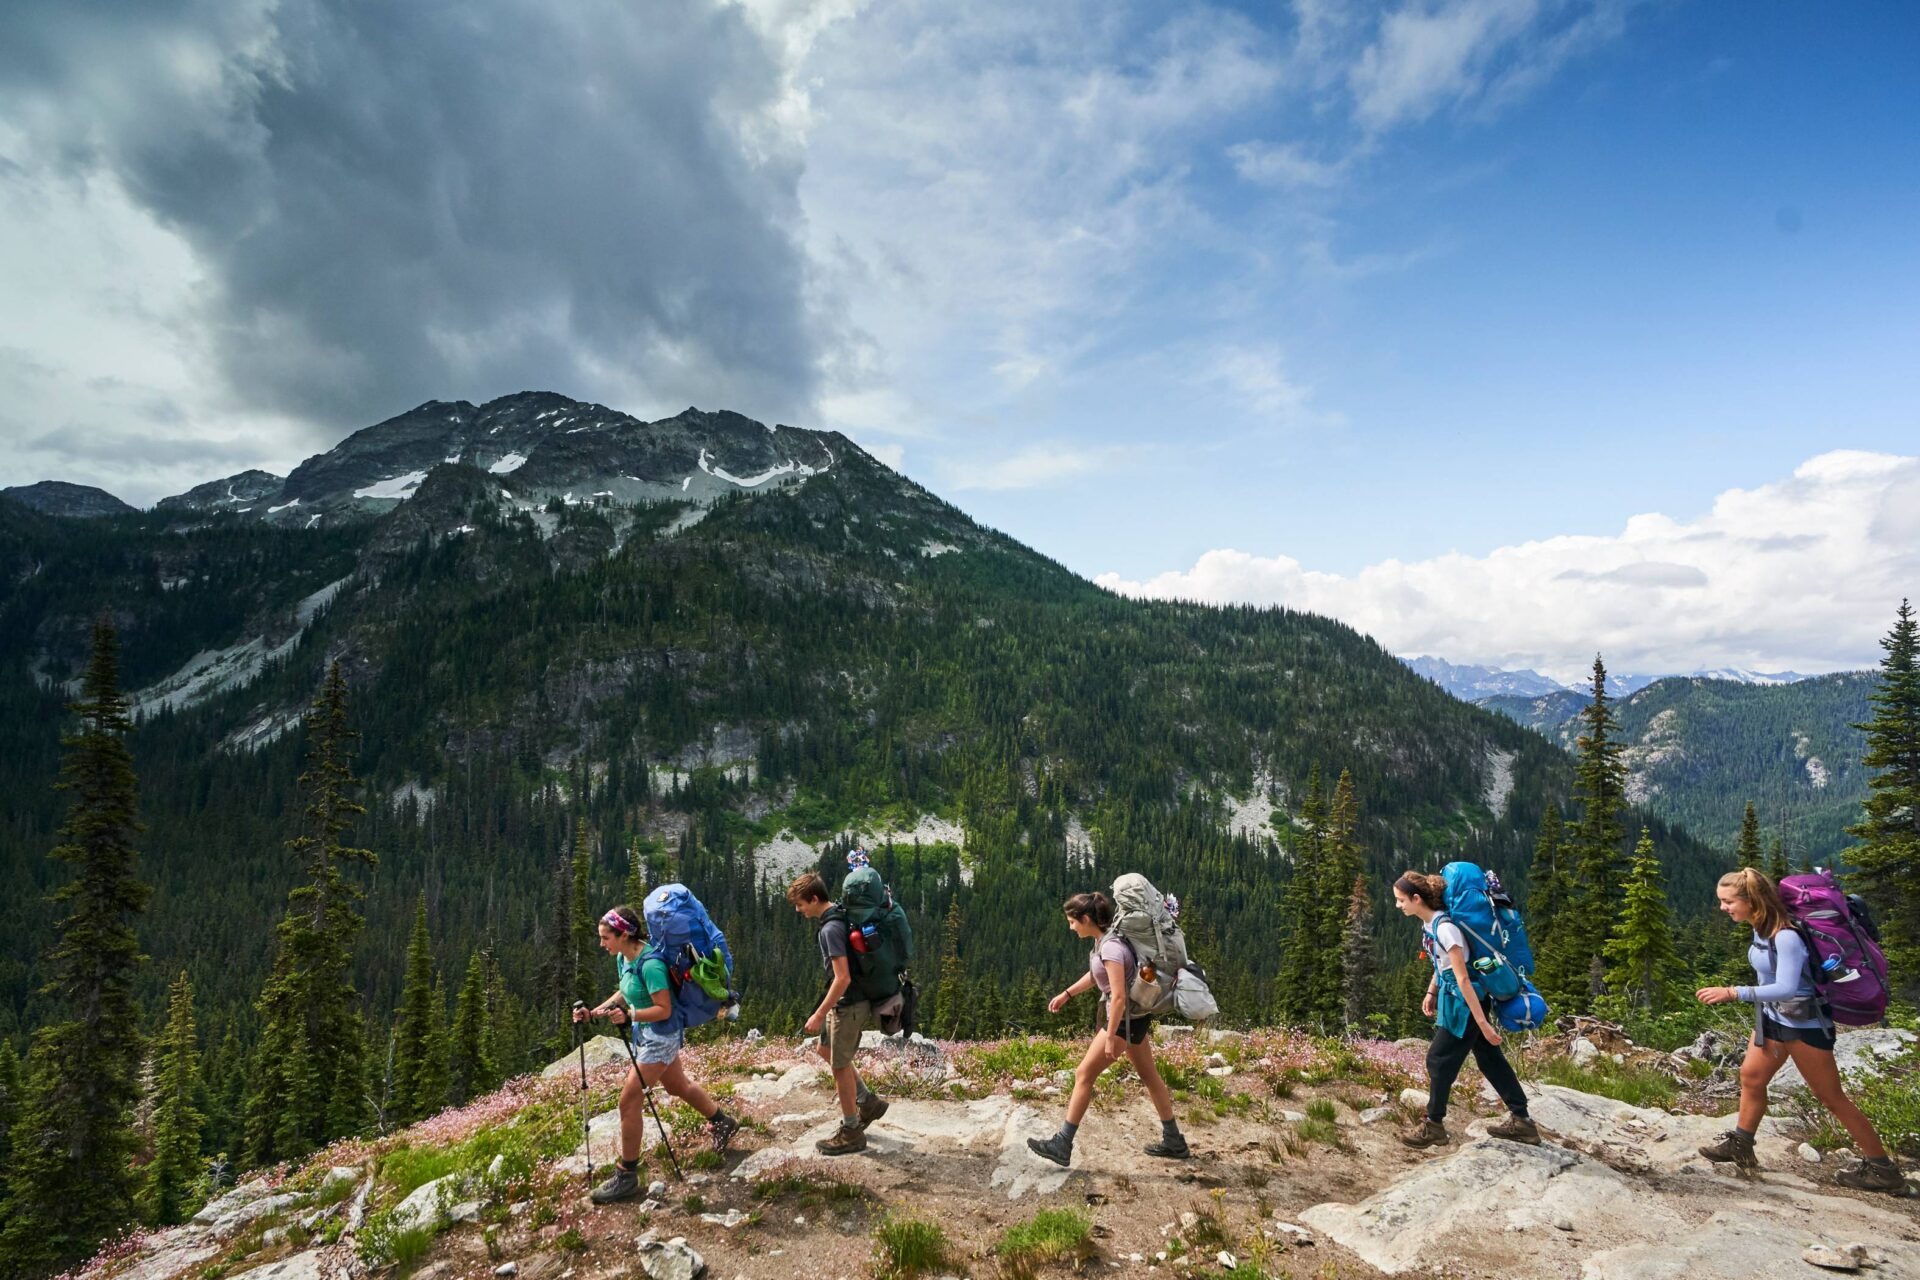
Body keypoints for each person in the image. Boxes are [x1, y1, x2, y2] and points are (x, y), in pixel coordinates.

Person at [1694, 869, 1903, 1192]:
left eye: (1728, 901)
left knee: (1831, 1098)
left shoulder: (1786, 936)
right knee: (1751, 1077)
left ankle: (1882, 1169)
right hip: (1776, 1021)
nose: (1723, 907)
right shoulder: (1761, 929)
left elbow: (1788, 987)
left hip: (1805, 1026)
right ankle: (1741, 1144)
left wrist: (1734, 992)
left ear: (1751, 901)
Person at [574, 904, 739, 1203]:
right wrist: (597, 1012)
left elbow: (663, 1009)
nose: (601, 944)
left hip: (661, 1036)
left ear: (623, 934)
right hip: (647, 1034)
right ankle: (723, 1121)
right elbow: (625, 991)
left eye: (605, 938)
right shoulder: (626, 958)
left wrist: (631, 1015)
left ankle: (627, 1174)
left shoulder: (651, 964)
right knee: (677, 1086)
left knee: (628, 1100)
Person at [1026, 891, 1188, 1168]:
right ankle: (1174, 1140)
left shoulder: (1111, 947)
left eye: (1072, 922)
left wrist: (1112, 1037)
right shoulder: (1107, 941)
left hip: (1122, 1020)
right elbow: (1096, 974)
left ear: (1086, 919)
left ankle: (1063, 1143)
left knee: (1083, 1074)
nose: (1071, 927)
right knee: (1150, 1077)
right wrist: (1068, 994)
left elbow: (1119, 997)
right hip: (1133, 1018)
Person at [1392, 871, 1540, 1148]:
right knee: (1489, 1058)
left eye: (1401, 900)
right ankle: (1522, 1121)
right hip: (1456, 999)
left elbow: (1463, 977)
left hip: (1465, 1003)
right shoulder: (1431, 925)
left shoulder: (1446, 929)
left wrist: (1482, 1022)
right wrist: (1432, 991)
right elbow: (1441, 964)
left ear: (1416, 898)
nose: (1398, 905)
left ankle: (1434, 1125)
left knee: (1438, 1059)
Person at [787, 871, 890, 1155]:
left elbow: (842, 977)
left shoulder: (830, 929)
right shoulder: (839, 916)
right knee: (825, 1049)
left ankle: (851, 1131)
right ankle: (867, 1101)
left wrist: (818, 1014)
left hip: (849, 1004)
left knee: (840, 1066)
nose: (799, 910)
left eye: (800, 904)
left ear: (815, 899)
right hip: (844, 1002)